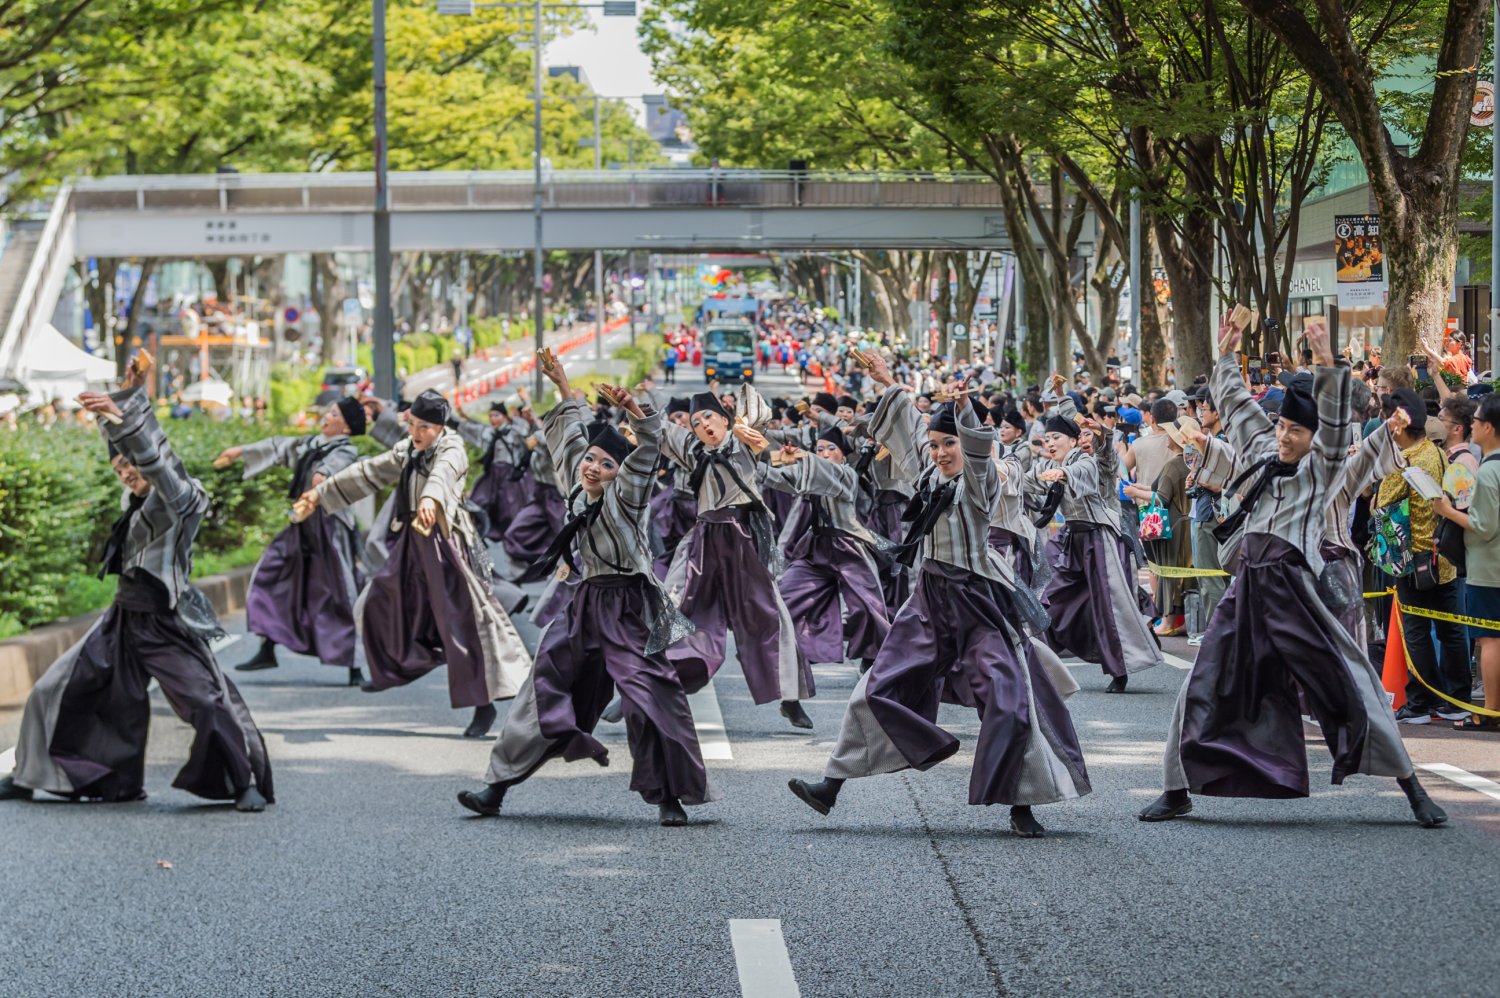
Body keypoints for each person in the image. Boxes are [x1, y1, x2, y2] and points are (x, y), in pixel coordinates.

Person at [1139, 318, 1447, 829]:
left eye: (1295, 430)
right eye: (1281, 425)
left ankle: (1411, 788)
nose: (1283, 436)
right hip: (1247, 588)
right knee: (1201, 680)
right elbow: (1236, 405)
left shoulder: (1321, 468)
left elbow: (1336, 430)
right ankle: (1175, 789)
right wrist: (1226, 352)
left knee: (1352, 679)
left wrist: (1327, 362)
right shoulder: (1263, 449)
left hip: (1296, 590)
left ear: (1314, 437)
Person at [786, 358, 1090, 839]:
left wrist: (965, 411)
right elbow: (907, 435)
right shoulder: (926, 477)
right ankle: (830, 785)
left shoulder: (980, 479)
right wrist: (891, 384)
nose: (940, 451)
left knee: (1011, 700)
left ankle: (1022, 802)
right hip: (928, 598)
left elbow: (975, 454)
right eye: (936, 444)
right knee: (876, 687)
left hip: (979, 600)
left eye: (948, 443)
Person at [0, 364, 273, 812]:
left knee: (206, 703)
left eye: (130, 465)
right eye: (118, 467)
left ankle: (243, 782)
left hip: (167, 622)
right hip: (122, 619)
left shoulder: (185, 498)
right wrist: (125, 401)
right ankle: (31, 776)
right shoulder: (136, 496)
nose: (124, 472)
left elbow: (159, 463)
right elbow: (131, 450)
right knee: (53, 689)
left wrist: (129, 419)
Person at [459, 359, 715, 825]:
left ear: (623, 472)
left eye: (607, 464)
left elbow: (648, 450)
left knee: (649, 696)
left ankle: (669, 797)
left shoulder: (628, 494)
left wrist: (637, 412)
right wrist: (561, 385)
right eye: (591, 461)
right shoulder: (577, 485)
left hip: (631, 605)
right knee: (543, 685)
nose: (594, 468)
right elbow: (571, 437)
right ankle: (494, 789)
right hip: (585, 602)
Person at [299, 390, 532, 738]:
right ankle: (387, 670)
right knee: (375, 602)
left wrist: (430, 497)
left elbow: (444, 473)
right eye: (412, 425)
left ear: (440, 427)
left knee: (460, 625)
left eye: (425, 427)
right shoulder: (410, 447)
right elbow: (370, 471)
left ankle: (483, 705)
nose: (416, 432)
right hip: (410, 544)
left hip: (446, 546)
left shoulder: (451, 447)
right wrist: (319, 493)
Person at [660, 387, 815, 730]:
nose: (704, 426)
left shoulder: (743, 441)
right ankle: (655, 685)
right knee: (679, 609)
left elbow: (757, 413)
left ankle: (790, 699)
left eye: (710, 417)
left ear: (724, 418)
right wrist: (630, 406)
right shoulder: (693, 450)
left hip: (744, 536)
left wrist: (742, 422)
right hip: (705, 538)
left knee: (770, 616)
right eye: (697, 422)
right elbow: (660, 432)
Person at [221, 396, 368, 685]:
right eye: (329, 410)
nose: (327, 416)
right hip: (302, 525)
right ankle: (267, 647)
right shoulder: (311, 444)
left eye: (335, 413)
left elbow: (335, 468)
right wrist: (240, 451)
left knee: (341, 593)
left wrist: (323, 475)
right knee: (272, 575)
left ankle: (355, 665)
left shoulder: (345, 450)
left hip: (331, 529)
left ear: (347, 426)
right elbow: (279, 446)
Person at [1031, 408, 1165, 692]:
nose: (1051, 443)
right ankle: (1040, 663)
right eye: (1047, 439)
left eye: (1057, 437)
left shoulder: (1088, 461)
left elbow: (1089, 465)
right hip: (1074, 540)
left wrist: (1064, 471)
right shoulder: (1052, 464)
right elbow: (1027, 479)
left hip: (1100, 538)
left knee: (1109, 606)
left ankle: (1120, 671)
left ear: (1074, 440)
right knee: (1053, 597)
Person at [1376, 388, 1472, 725]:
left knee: (1416, 629)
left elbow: (1381, 503)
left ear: (1398, 425)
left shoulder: (1407, 461)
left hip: (1415, 559)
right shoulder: (1435, 452)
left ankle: (1423, 698)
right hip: (1442, 556)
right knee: (1451, 629)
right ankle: (1457, 696)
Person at [765, 425, 892, 672]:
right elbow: (778, 478)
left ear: (843, 455)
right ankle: (785, 650)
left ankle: (883, 659)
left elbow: (822, 472)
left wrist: (804, 457)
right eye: (819, 449)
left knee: (869, 609)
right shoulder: (811, 473)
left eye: (831, 448)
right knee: (786, 594)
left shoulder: (847, 475)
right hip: (816, 547)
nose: (824, 453)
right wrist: (747, 462)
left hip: (850, 546)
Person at [1431, 392, 1500, 730]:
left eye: (1476, 420)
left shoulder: (1488, 473)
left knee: (1488, 639)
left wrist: (1446, 511)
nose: (1472, 425)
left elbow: (1484, 527)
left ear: (1488, 427)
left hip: (1487, 566)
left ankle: (1488, 710)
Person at [1124, 417, 1197, 637]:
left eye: (1170, 435)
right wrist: (1142, 487)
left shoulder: (1174, 464)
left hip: (1172, 527)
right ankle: (1184, 621)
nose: (1166, 438)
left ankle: (1168, 622)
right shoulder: (1189, 462)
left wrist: (1135, 493)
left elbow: (1162, 497)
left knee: (1169, 574)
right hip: (1186, 525)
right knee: (1186, 575)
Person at [458, 399, 529, 543]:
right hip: (492, 473)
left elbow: (525, 430)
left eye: (496, 415)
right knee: (479, 500)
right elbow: (470, 428)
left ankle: (512, 535)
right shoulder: (488, 432)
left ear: (504, 416)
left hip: (508, 474)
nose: (493, 419)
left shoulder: (512, 432)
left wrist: (517, 413)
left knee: (509, 507)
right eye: (491, 416)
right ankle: (481, 531)